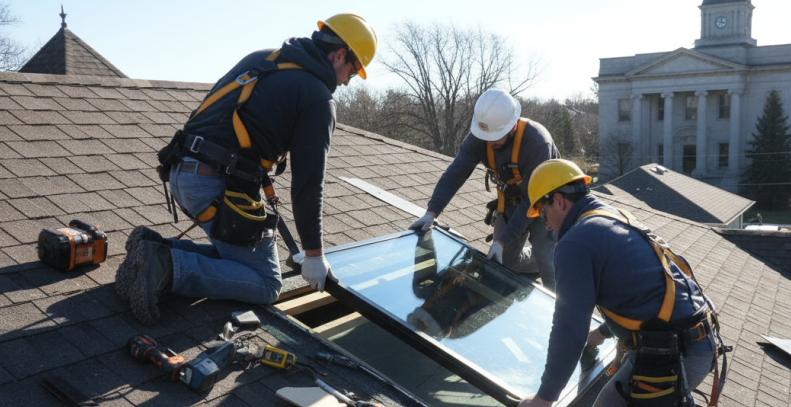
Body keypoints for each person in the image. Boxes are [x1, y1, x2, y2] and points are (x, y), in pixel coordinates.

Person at [513, 159, 746, 407]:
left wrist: (545, 398)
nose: (542, 221)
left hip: (672, 355)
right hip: (694, 341)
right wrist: (605, 332)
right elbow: (641, 287)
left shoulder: (574, 242)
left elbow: (568, 327)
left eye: (541, 209)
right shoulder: (609, 215)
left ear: (559, 201)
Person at [115, 14, 377, 325]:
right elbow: (308, 184)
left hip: (178, 170)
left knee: (239, 261)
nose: (347, 81)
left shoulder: (264, 59)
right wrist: (314, 255)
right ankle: (168, 266)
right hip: (212, 187)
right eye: (352, 70)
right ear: (339, 55)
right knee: (266, 282)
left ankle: (154, 249)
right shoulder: (318, 98)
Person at [408, 89, 559, 288]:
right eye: (486, 136)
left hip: (546, 204)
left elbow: (531, 202)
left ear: (512, 125)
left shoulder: (537, 142)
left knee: (549, 265)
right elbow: (455, 174)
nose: (490, 142)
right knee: (506, 261)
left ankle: (555, 263)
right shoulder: (481, 137)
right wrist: (431, 213)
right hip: (513, 202)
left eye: (496, 136)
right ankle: (538, 258)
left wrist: (502, 241)